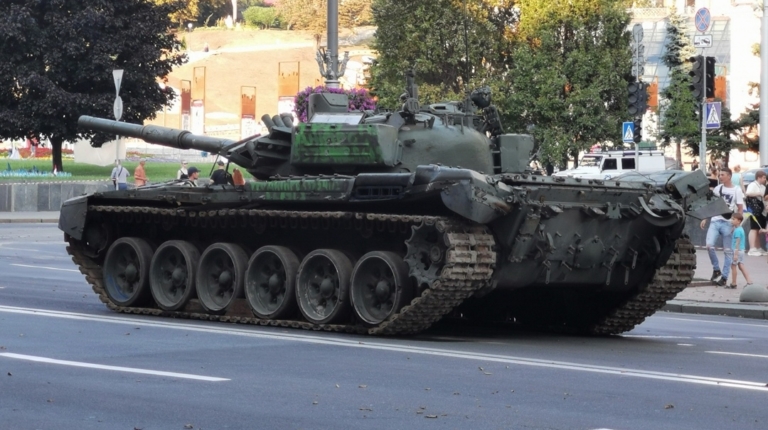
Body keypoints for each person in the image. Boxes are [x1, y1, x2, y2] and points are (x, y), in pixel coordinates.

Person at [700, 167, 744, 286]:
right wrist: (705, 217)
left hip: (728, 222)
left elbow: (740, 208)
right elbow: (711, 204)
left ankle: (724, 277)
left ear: (729, 176)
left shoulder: (736, 190)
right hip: (715, 220)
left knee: (727, 251)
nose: (720, 177)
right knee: (709, 246)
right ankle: (716, 269)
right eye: (719, 175)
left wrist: (737, 223)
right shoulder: (718, 188)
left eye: (722, 175)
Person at [728, 212, 753, 289]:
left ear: (739, 221)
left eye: (733, 219)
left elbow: (737, 242)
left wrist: (735, 254)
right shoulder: (739, 229)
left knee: (733, 266)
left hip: (737, 251)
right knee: (741, 265)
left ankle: (734, 283)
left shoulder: (738, 231)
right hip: (741, 250)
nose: (731, 220)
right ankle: (749, 281)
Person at [745, 170, 767, 256]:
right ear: (759, 177)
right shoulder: (752, 185)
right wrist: (758, 193)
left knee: (758, 229)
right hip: (754, 209)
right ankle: (752, 248)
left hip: (761, 210)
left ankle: (758, 247)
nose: (765, 179)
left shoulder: (763, 187)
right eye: (764, 177)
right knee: (754, 228)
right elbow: (748, 193)